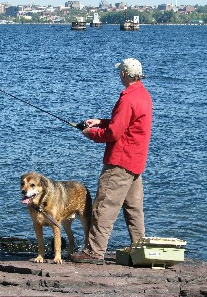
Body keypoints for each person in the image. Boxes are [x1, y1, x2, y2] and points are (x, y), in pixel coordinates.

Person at [71, 58, 152, 264]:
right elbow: (124, 123)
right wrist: (100, 122)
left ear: (124, 74)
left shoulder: (127, 99)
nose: (119, 75)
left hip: (120, 162)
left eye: (120, 72)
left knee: (104, 206)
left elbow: (114, 133)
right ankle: (139, 250)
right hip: (135, 162)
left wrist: (91, 133)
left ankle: (94, 252)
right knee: (134, 209)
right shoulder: (143, 95)